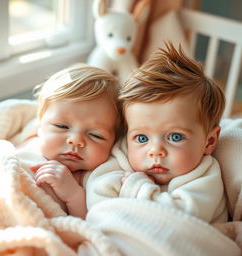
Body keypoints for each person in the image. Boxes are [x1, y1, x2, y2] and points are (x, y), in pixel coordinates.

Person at [86, 42, 227, 223]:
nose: (155, 151)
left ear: (209, 141)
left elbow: (179, 218)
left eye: (175, 137)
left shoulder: (204, 176)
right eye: (142, 138)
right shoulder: (122, 155)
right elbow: (97, 197)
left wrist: (136, 187)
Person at [15, 64, 121, 219]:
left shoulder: (91, 179)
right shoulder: (27, 143)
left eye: (95, 135)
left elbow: (89, 222)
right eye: (62, 126)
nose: (76, 141)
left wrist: (73, 194)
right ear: (40, 125)